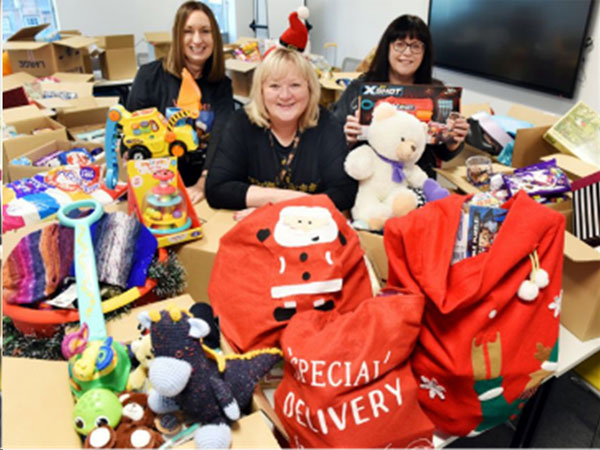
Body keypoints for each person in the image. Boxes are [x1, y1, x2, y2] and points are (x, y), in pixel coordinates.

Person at [205, 47, 357, 220]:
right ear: (261, 90)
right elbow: (216, 189)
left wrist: (273, 210)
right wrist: (295, 201)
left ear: (310, 88)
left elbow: (345, 193)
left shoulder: (327, 125)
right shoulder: (240, 122)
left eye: (295, 85)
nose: (285, 96)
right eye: (274, 86)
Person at [332, 15, 469, 179]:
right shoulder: (360, 88)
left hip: (416, 181)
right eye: (400, 44)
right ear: (387, 48)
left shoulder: (437, 93)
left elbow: (443, 154)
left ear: (425, 52)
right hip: (367, 181)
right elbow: (331, 140)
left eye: (416, 46)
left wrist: (453, 141)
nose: (407, 53)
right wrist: (348, 138)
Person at [127, 1, 233, 203]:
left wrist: (203, 183)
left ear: (215, 38)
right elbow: (130, 135)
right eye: (188, 31)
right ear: (177, 35)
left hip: (204, 183)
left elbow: (222, 138)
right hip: (155, 185)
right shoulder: (149, 76)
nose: (197, 40)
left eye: (205, 31)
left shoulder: (222, 84)